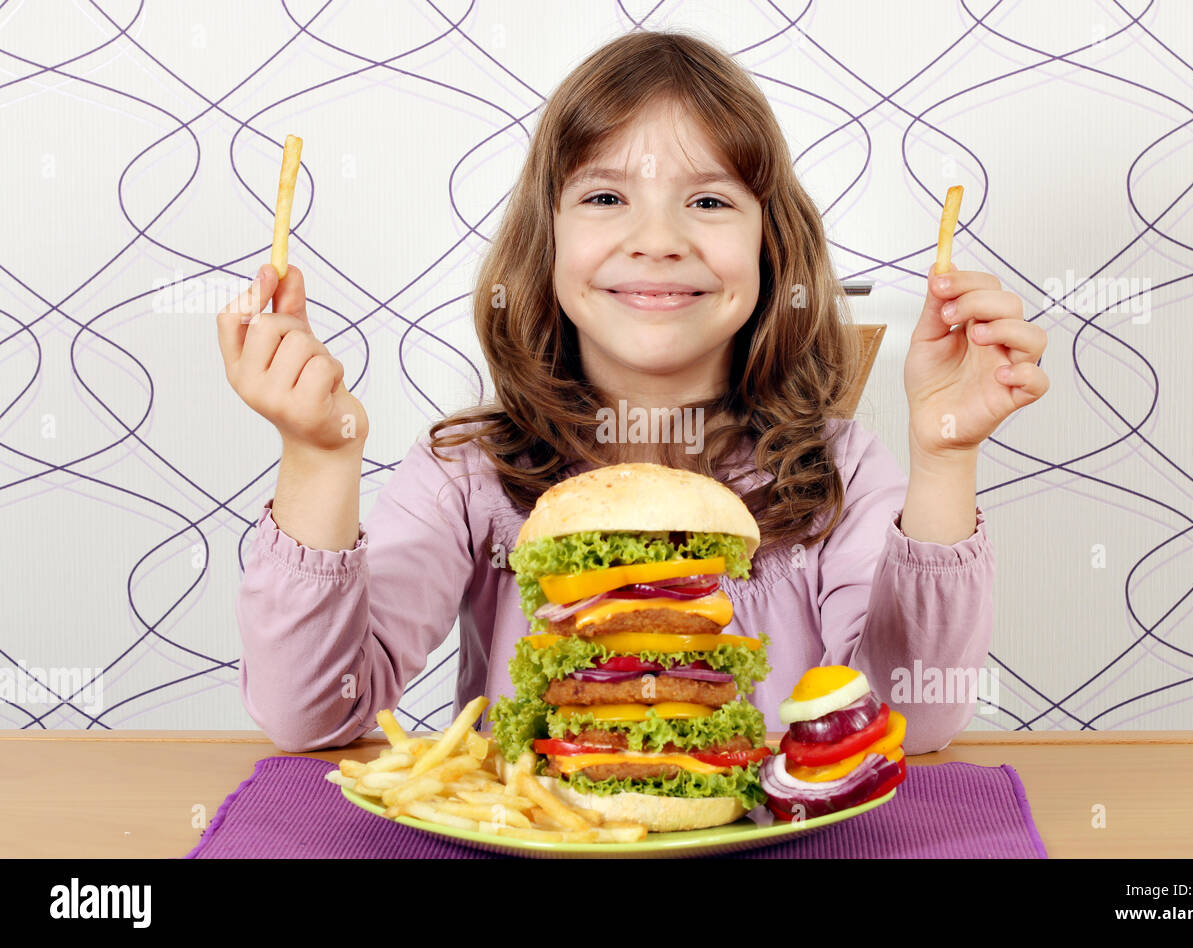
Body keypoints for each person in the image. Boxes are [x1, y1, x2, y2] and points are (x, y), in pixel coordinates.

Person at [217, 31, 1048, 756]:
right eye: (607, 197)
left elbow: (911, 717)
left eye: (710, 200)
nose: (658, 240)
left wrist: (943, 453)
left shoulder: (837, 472)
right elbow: (309, 716)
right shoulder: (469, 476)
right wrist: (318, 459)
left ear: (771, 248)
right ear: (546, 243)